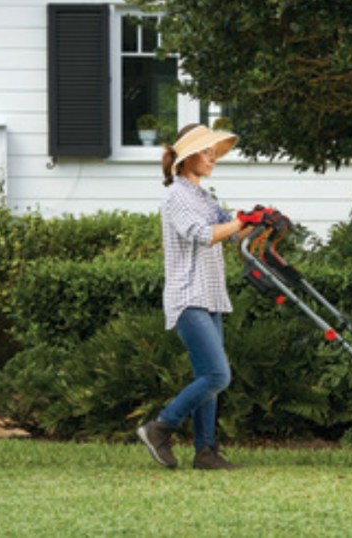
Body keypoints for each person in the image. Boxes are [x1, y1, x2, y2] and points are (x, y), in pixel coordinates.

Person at [136, 123, 264, 471]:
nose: (213, 158)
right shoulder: (175, 196)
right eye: (207, 152)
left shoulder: (204, 197)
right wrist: (240, 223)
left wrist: (260, 220)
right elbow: (203, 235)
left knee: (208, 378)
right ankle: (160, 428)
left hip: (211, 296)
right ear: (187, 155)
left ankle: (206, 452)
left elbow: (233, 232)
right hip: (188, 296)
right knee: (218, 375)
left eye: (214, 153)